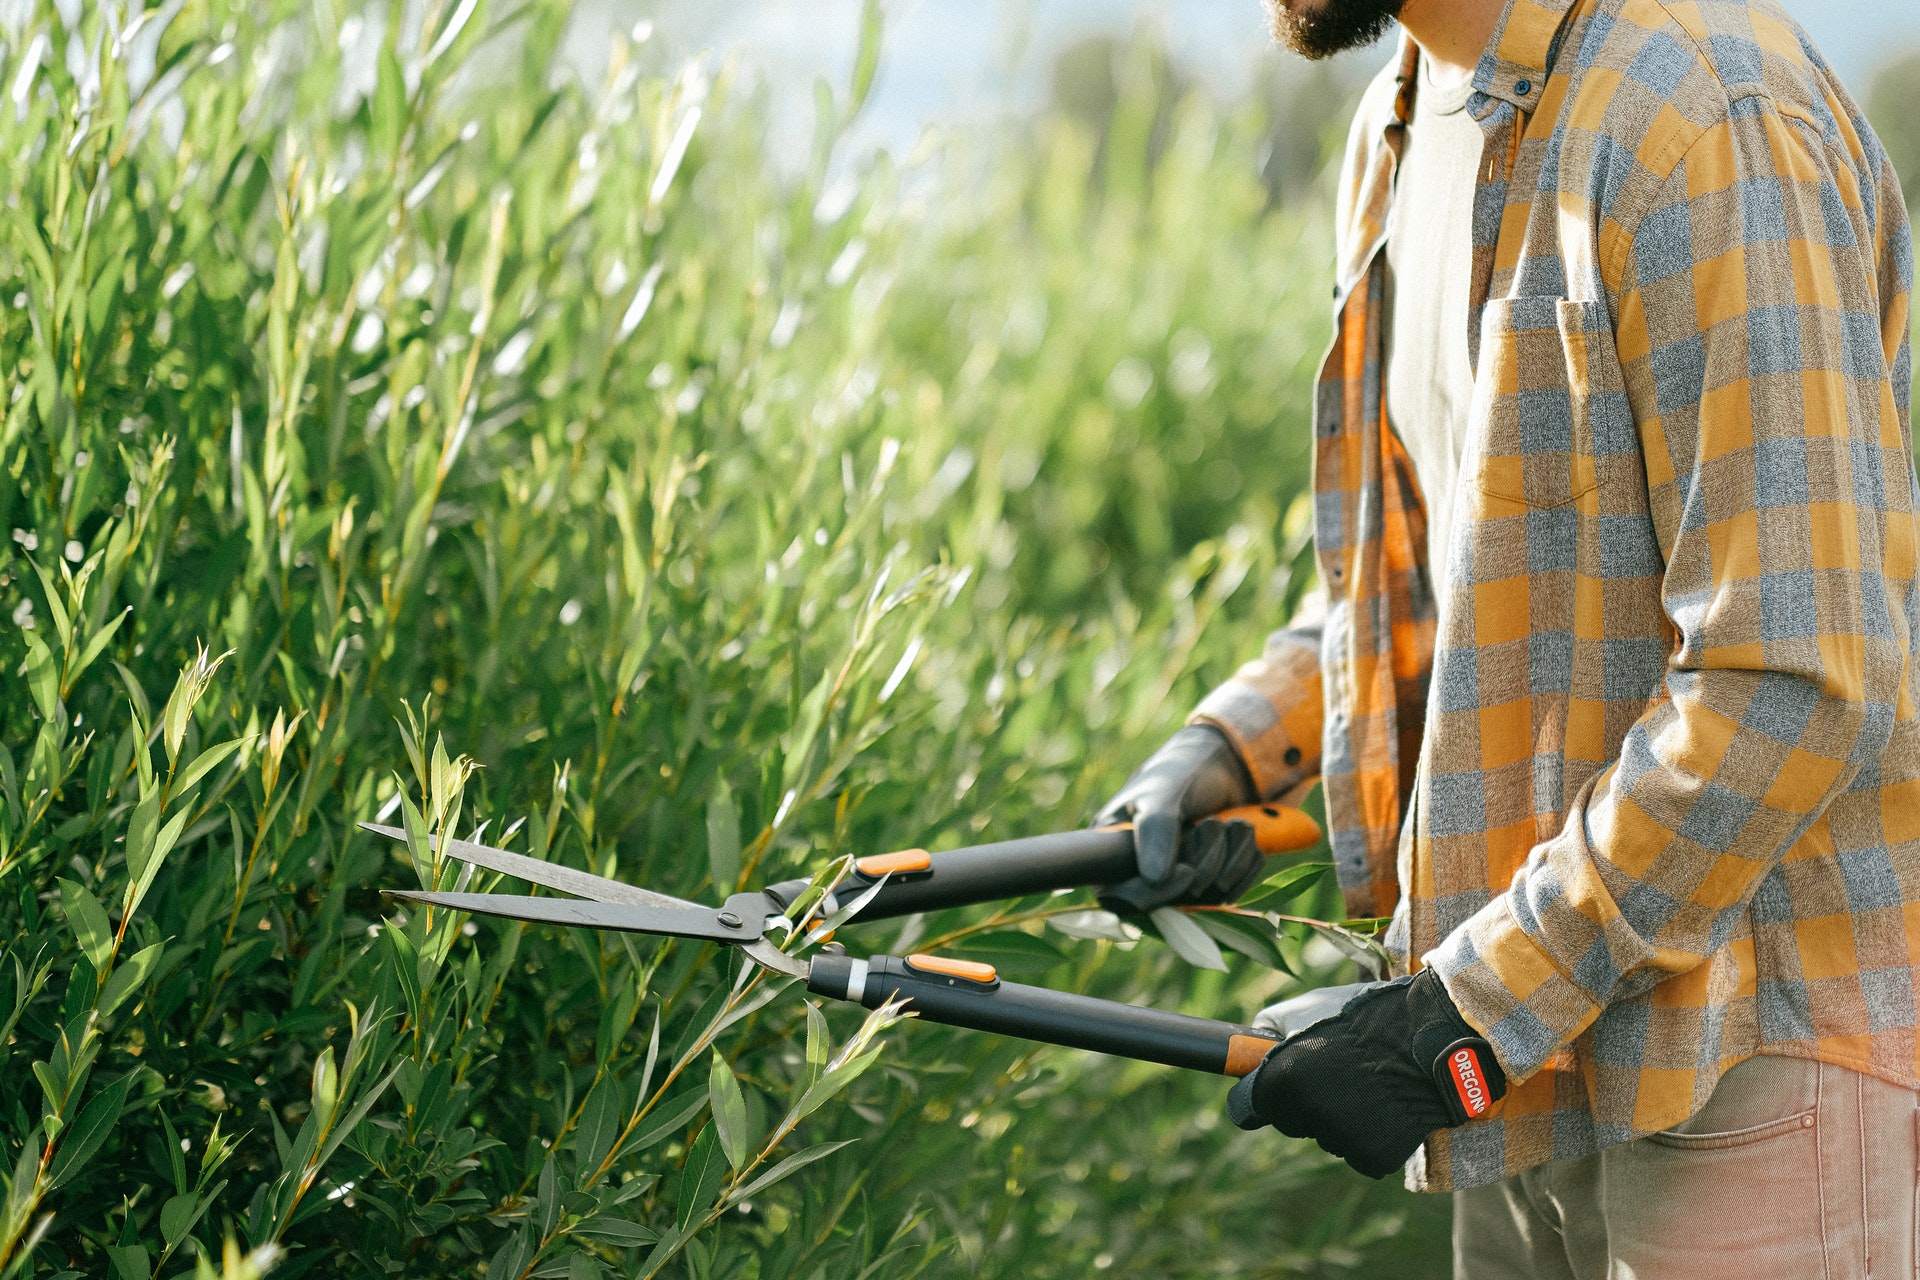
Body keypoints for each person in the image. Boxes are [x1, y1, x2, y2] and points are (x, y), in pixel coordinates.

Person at [1093, 0, 1918, 1272]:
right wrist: (1238, 744)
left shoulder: (1702, 112)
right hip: (1534, 1064)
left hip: (1753, 1063)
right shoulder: (1401, 121)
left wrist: (1463, 1015)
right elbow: (1446, 580)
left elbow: (1790, 674)